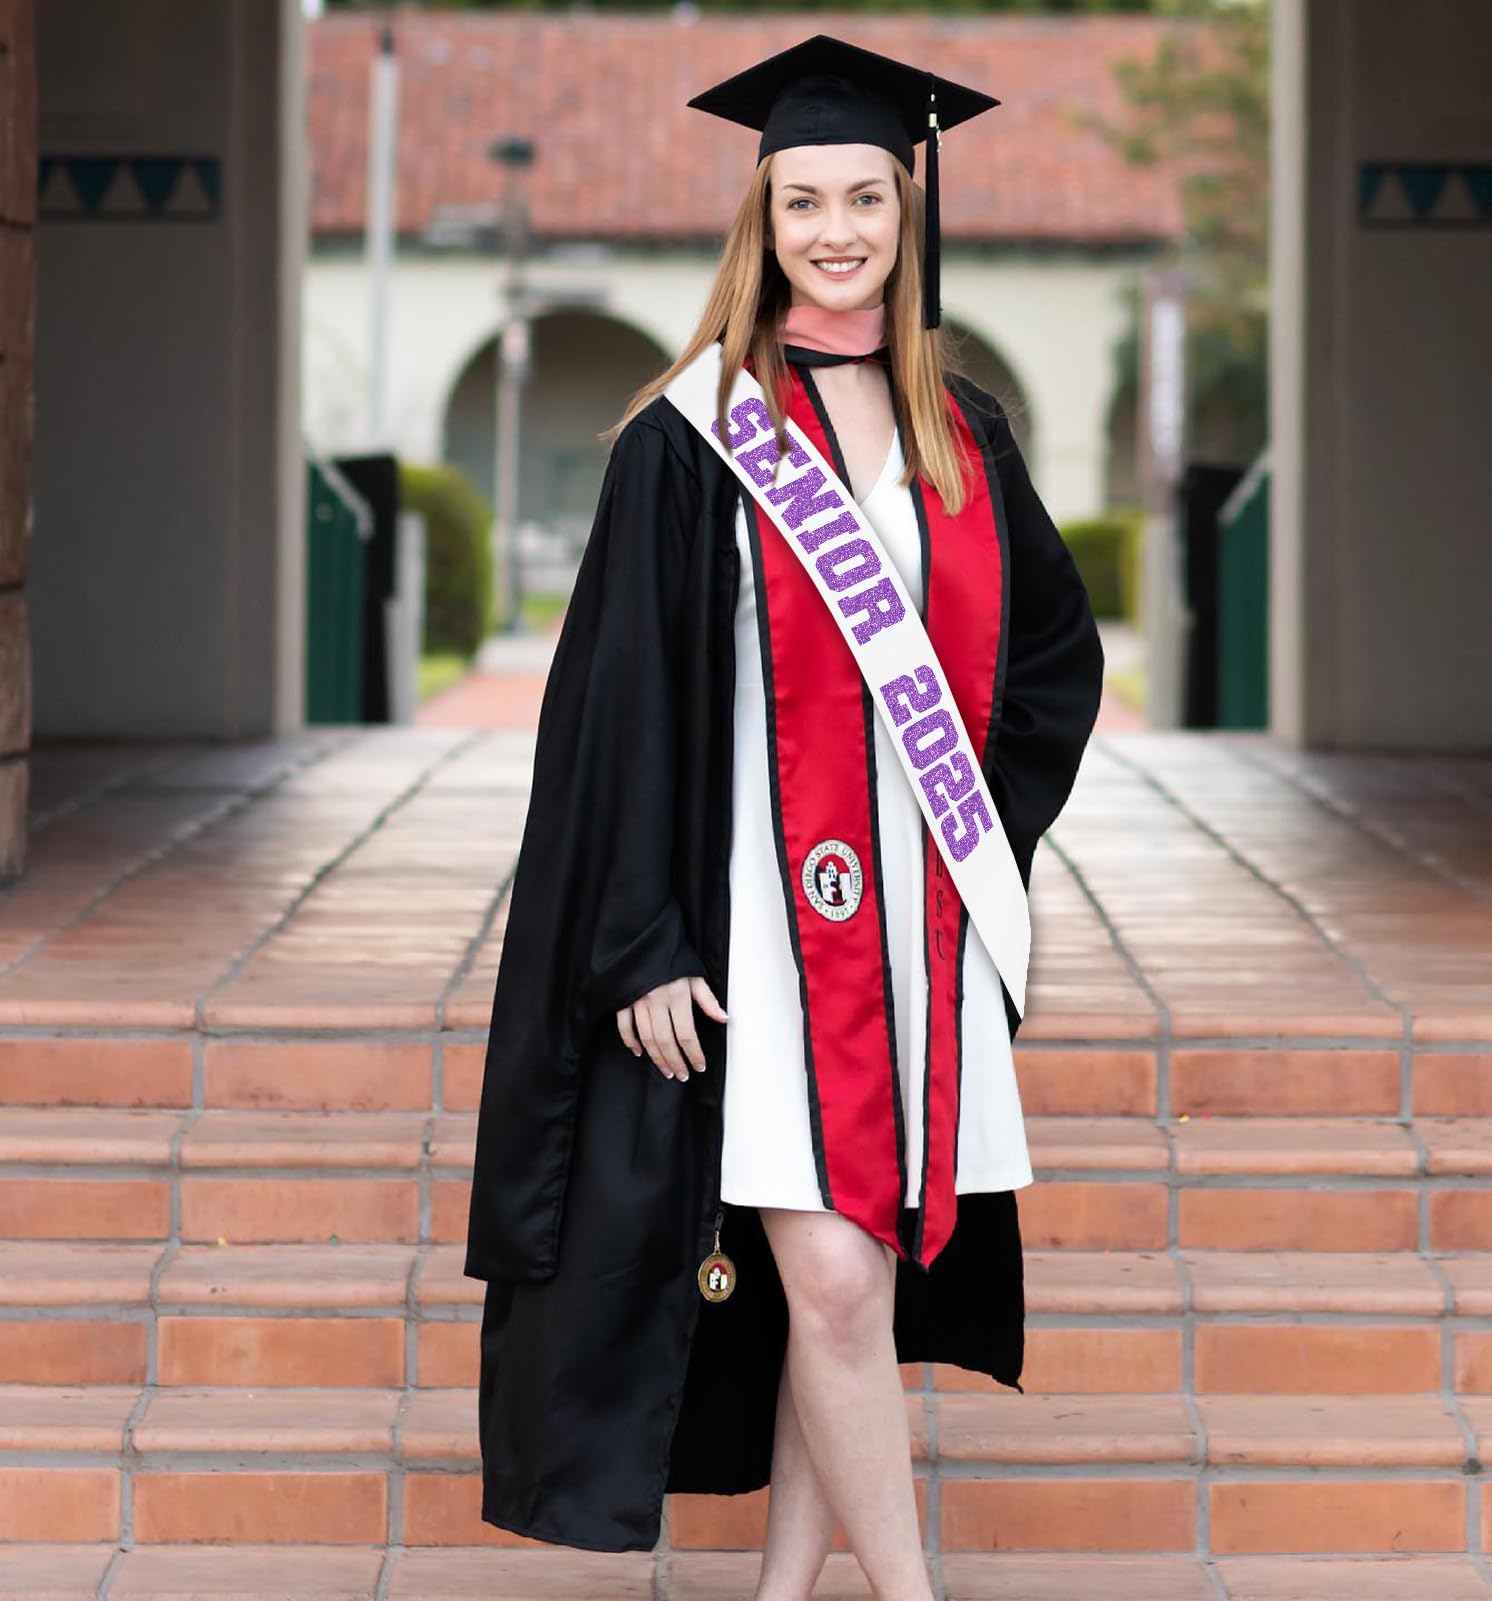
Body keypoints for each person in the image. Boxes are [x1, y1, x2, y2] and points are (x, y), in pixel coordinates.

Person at [465, 33, 1105, 1600]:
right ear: (764, 219)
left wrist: (971, 840)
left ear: (908, 207)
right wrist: (637, 940)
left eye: (865, 197)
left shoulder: (965, 435)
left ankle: (781, 1593)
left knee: (854, 1284)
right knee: (824, 1267)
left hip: (913, 923)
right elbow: (610, 711)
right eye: (804, 199)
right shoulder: (692, 438)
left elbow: (1053, 664)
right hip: (756, 911)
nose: (837, 230)